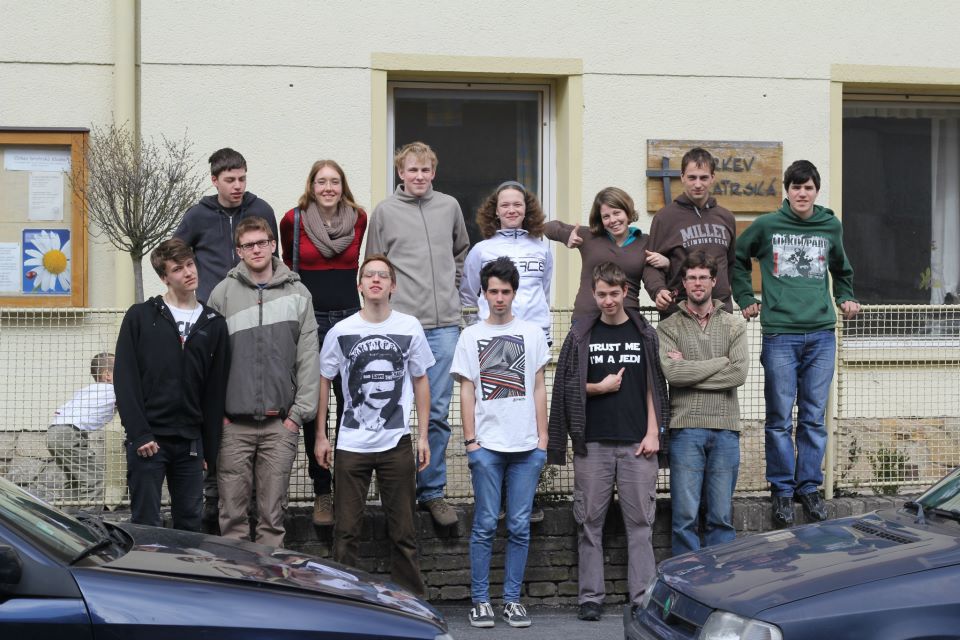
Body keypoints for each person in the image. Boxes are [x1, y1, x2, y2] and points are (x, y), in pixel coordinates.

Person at [732, 160, 860, 526]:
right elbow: (738, 259)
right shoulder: (767, 225)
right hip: (780, 335)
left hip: (821, 334)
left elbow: (842, 269)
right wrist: (746, 297)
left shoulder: (830, 225)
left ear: (816, 191)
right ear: (786, 190)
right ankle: (782, 490)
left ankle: (808, 487)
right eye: (796, 187)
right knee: (778, 418)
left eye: (808, 187)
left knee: (813, 418)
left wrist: (845, 296)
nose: (802, 193)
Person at [548, 262, 669, 621]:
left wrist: (653, 432)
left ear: (626, 292)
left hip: (637, 444)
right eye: (601, 294)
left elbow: (654, 387)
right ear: (594, 293)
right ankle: (590, 598)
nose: (608, 300)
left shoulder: (644, 333)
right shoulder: (580, 334)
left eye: (614, 293)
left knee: (641, 525)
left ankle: (642, 597)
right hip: (593, 443)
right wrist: (598, 388)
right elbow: (566, 386)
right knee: (589, 523)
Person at [313, 254, 433, 596]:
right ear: (360, 286)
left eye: (383, 275)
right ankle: (344, 601)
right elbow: (324, 379)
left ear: (393, 286)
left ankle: (411, 602)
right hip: (351, 445)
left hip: (397, 443)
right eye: (369, 275)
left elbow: (421, 380)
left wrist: (423, 436)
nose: (376, 280)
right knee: (346, 532)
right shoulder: (341, 331)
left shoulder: (409, 327)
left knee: (404, 532)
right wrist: (321, 435)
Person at [366, 141, 470, 527]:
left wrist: (450, 289)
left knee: (437, 413)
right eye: (412, 170)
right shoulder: (384, 212)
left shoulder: (449, 207)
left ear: (434, 172)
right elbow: (373, 265)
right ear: (401, 173)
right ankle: (393, 490)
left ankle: (432, 491)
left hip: (444, 327)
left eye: (425, 170)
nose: (419, 176)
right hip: (400, 327)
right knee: (391, 408)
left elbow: (461, 253)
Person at [175, 147, 277, 531]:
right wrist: (190, 297)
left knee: (246, 396)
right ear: (214, 180)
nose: (237, 186)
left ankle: (250, 492)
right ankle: (212, 489)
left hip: (254, 317)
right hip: (211, 320)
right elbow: (175, 256)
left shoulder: (261, 209)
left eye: (242, 178)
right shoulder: (197, 215)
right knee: (211, 401)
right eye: (230, 180)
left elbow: (274, 258)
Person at [208, 216, 320, 547]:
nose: (256, 249)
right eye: (248, 245)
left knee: (273, 518)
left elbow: (309, 358)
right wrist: (219, 415)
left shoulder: (298, 293)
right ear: (238, 251)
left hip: (279, 424)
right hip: (233, 426)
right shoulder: (222, 294)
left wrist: (297, 415)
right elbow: (209, 361)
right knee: (232, 516)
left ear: (273, 245)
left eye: (262, 243)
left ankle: (269, 578)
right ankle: (236, 578)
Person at [453, 257, 550, 629]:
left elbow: (539, 387)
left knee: (520, 526)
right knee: (484, 525)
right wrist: (471, 442)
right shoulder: (470, 336)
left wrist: (542, 440)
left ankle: (512, 600)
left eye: (505, 291)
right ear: (483, 293)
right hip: (487, 446)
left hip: (526, 446)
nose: (499, 298)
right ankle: (480, 601)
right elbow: (466, 391)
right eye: (492, 291)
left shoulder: (532, 333)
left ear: (514, 293)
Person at [114, 238, 229, 531]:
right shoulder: (141, 317)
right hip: (149, 441)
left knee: (190, 525)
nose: (188, 272)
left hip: (190, 443)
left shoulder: (214, 323)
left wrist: (209, 450)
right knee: (146, 525)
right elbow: (125, 379)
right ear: (164, 277)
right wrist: (139, 434)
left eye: (190, 264)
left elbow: (215, 392)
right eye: (178, 269)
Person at [280, 159, 367, 527]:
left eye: (334, 181)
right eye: (321, 182)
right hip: (310, 319)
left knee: (351, 403)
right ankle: (322, 490)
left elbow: (357, 263)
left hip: (350, 318)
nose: (328, 188)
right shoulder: (293, 220)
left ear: (342, 185)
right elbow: (288, 267)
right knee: (316, 406)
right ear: (311, 186)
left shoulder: (359, 218)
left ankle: (348, 486)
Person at [656, 252, 748, 556]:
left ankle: (721, 578)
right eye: (692, 277)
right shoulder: (668, 327)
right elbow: (673, 374)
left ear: (713, 281)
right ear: (683, 283)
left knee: (720, 517)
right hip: (685, 429)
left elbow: (738, 374)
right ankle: (686, 578)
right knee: (685, 517)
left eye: (703, 277)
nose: (697, 283)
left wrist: (691, 370)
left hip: (725, 429)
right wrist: (720, 361)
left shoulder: (734, 325)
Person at [544, 187, 667, 320]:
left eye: (617, 213)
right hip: (586, 318)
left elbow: (652, 276)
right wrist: (566, 235)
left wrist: (659, 291)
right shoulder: (589, 236)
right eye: (606, 216)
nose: (612, 220)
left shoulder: (645, 242)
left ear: (628, 212)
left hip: (626, 319)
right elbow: (547, 227)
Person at [644, 147, 737, 317]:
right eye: (692, 177)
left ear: (713, 178)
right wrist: (658, 290)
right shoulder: (665, 218)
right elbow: (650, 265)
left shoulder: (726, 218)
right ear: (682, 177)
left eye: (704, 177)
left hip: (720, 312)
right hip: (679, 313)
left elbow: (731, 265)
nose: (698, 184)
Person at [460, 181, 553, 343]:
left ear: (526, 208)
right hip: (493, 335)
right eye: (504, 205)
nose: (511, 210)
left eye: (517, 204)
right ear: (496, 211)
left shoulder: (542, 249)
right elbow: (467, 296)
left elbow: (544, 294)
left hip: (536, 334)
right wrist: (475, 328)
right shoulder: (481, 250)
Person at [46, 352, 116, 505]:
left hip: (54, 432)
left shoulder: (88, 390)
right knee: (94, 477)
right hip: (68, 433)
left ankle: (67, 517)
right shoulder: (114, 390)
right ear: (107, 375)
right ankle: (88, 518)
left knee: (75, 479)